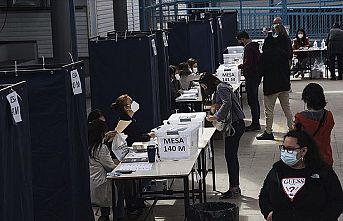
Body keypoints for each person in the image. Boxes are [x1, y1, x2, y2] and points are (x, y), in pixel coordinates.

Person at [259, 129, 343, 221]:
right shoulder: (277, 170)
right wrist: (268, 213)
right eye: (283, 148)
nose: (285, 152)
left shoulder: (322, 172)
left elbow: (337, 200)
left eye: (290, 149)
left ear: (303, 151)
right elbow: (264, 195)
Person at [199, 73, 245, 199]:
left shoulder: (221, 88)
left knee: (230, 156)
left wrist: (216, 116)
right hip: (235, 124)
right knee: (230, 156)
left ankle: (234, 187)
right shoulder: (221, 87)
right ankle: (234, 186)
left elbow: (227, 103)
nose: (204, 89)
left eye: (204, 86)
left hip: (235, 125)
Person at [257, 35, 293, 140]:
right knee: (287, 109)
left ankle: (268, 132)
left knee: (269, 111)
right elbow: (287, 70)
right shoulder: (283, 54)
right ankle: (292, 129)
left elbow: (261, 71)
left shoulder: (265, 55)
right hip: (284, 85)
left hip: (271, 87)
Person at [294, 83, 335, 166]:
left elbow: (296, 139)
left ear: (306, 99)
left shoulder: (300, 118)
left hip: (308, 160)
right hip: (326, 158)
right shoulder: (329, 116)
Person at [88, 119, 118, 221]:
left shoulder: (87, 146)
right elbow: (111, 167)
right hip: (100, 184)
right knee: (121, 183)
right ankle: (118, 214)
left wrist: (105, 137)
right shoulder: (102, 148)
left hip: (89, 182)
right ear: (101, 133)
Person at [237, 31, 262, 131]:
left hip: (251, 77)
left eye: (240, 40)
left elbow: (249, 63)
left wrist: (241, 66)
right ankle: (256, 121)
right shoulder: (254, 47)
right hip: (256, 76)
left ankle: (255, 123)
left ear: (243, 39)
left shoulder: (249, 48)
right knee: (254, 100)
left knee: (252, 100)